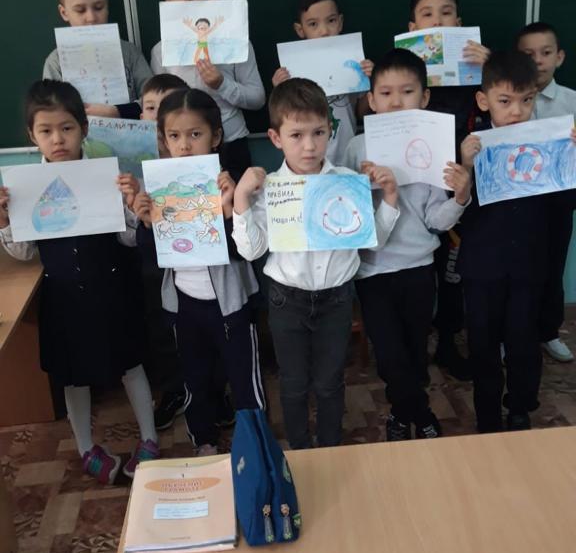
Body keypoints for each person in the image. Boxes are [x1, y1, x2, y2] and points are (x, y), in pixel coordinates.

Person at [0, 80, 158, 483]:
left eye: (67, 128)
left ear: (84, 129)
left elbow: (128, 240)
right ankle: (86, 447)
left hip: (112, 288)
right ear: (32, 136)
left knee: (130, 363)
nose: (58, 139)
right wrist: (4, 222)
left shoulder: (108, 176)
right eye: (46, 130)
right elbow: (25, 253)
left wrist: (131, 206)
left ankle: (149, 437)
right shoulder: (24, 189)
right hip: (64, 295)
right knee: (73, 375)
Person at [232, 78, 399, 450]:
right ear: (275, 138)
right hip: (286, 300)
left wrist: (389, 198)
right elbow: (252, 251)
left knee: (329, 382)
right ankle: (300, 452)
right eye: (296, 135)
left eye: (318, 132)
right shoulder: (269, 189)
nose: (309, 145)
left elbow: (372, 243)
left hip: (336, 299)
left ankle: (329, 448)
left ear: (330, 130)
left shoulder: (348, 183)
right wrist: (241, 200)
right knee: (293, 384)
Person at [345, 49, 471, 441]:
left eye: (407, 91)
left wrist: (460, 197)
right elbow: (345, 216)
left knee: (415, 349)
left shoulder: (433, 148)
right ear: (371, 99)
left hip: (418, 267)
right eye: (385, 93)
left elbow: (436, 221)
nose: (396, 102)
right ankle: (420, 411)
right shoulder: (356, 149)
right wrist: (368, 186)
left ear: (425, 97)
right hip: (373, 270)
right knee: (388, 352)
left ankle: (402, 414)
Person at [132, 87, 264, 455]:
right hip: (184, 304)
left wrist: (230, 209)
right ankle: (204, 441)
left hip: (231, 305)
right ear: (163, 140)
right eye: (174, 136)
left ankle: (254, 444)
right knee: (196, 378)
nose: (185, 145)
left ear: (215, 136)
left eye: (195, 134)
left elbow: (244, 252)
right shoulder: (160, 189)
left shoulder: (232, 184)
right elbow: (152, 258)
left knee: (243, 379)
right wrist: (146, 224)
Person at [459, 50, 576, 433]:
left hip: (529, 265)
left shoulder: (549, 143)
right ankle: (488, 414)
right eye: (505, 101)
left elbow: (566, 204)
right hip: (482, 268)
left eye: (526, 100)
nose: (516, 111)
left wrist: (572, 157)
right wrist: (466, 168)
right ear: (484, 100)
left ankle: (521, 406)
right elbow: (455, 210)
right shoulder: (470, 146)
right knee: (483, 344)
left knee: (524, 341)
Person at [406, 0, 491, 380]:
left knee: (454, 269)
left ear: (459, 22)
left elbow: (506, 106)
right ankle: (415, 343)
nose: (437, 21)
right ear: (413, 28)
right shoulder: (406, 73)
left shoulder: (479, 71)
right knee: (422, 269)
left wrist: (490, 69)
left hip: (466, 183)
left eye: (446, 14)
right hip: (420, 185)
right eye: (427, 15)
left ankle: (447, 341)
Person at [150, 0, 265, 181]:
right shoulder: (161, 51)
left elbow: (257, 98)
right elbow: (159, 107)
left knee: (237, 201)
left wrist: (222, 84)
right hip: (184, 149)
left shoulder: (236, 44)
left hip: (231, 142)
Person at [517, 21, 576, 363]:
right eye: (528, 54)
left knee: (553, 267)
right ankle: (512, 334)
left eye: (546, 52)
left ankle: (548, 331)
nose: (538, 60)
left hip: (558, 198)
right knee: (517, 270)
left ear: (560, 57)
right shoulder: (507, 98)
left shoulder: (571, 101)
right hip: (517, 198)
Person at [272, 0, 373, 165]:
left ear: (340, 22)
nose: (324, 31)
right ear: (300, 29)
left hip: (347, 155)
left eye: (331, 21)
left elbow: (361, 112)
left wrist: (371, 83)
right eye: (313, 24)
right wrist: (279, 90)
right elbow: (283, 116)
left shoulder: (352, 63)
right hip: (307, 158)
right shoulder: (292, 69)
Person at [43, 0, 152, 120]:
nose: (91, 18)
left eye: (98, 7)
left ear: (107, 6)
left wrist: (118, 111)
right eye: (80, 10)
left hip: (129, 132)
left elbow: (154, 99)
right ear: (64, 12)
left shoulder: (129, 53)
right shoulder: (56, 62)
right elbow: (51, 112)